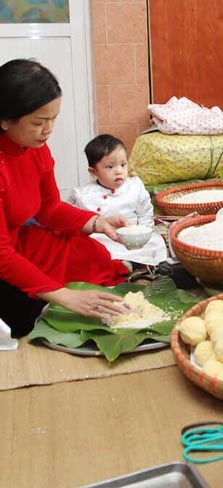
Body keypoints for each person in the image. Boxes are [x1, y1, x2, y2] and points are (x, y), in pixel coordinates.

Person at [0, 59, 130, 337]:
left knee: (90, 253)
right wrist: (63, 295)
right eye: (39, 122)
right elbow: (2, 256)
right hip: (3, 256)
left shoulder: (34, 147)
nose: (49, 130)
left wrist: (97, 223)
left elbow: (49, 209)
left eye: (53, 119)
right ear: (5, 119)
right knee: (24, 316)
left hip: (16, 242)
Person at [68, 134, 168, 267]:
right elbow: (72, 218)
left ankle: (134, 263)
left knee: (157, 243)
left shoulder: (134, 187)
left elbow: (145, 212)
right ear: (93, 172)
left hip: (131, 239)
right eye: (110, 167)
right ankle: (127, 264)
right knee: (88, 252)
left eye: (123, 164)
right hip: (100, 239)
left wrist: (144, 232)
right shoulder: (83, 194)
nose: (118, 171)